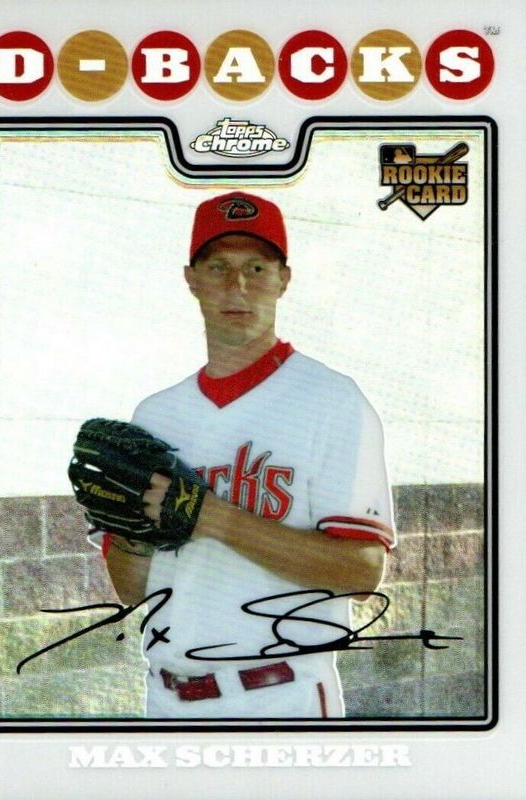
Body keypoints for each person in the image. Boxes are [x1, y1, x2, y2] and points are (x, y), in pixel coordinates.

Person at [95, 191, 396, 719]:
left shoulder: (332, 399)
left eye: (257, 267)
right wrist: (126, 534)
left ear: (284, 279)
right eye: (219, 267)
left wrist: (214, 517)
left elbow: (362, 571)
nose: (237, 285)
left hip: (283, 695)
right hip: (167, 699)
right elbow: (133, 590)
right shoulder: (154, 415)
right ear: (191, 279)